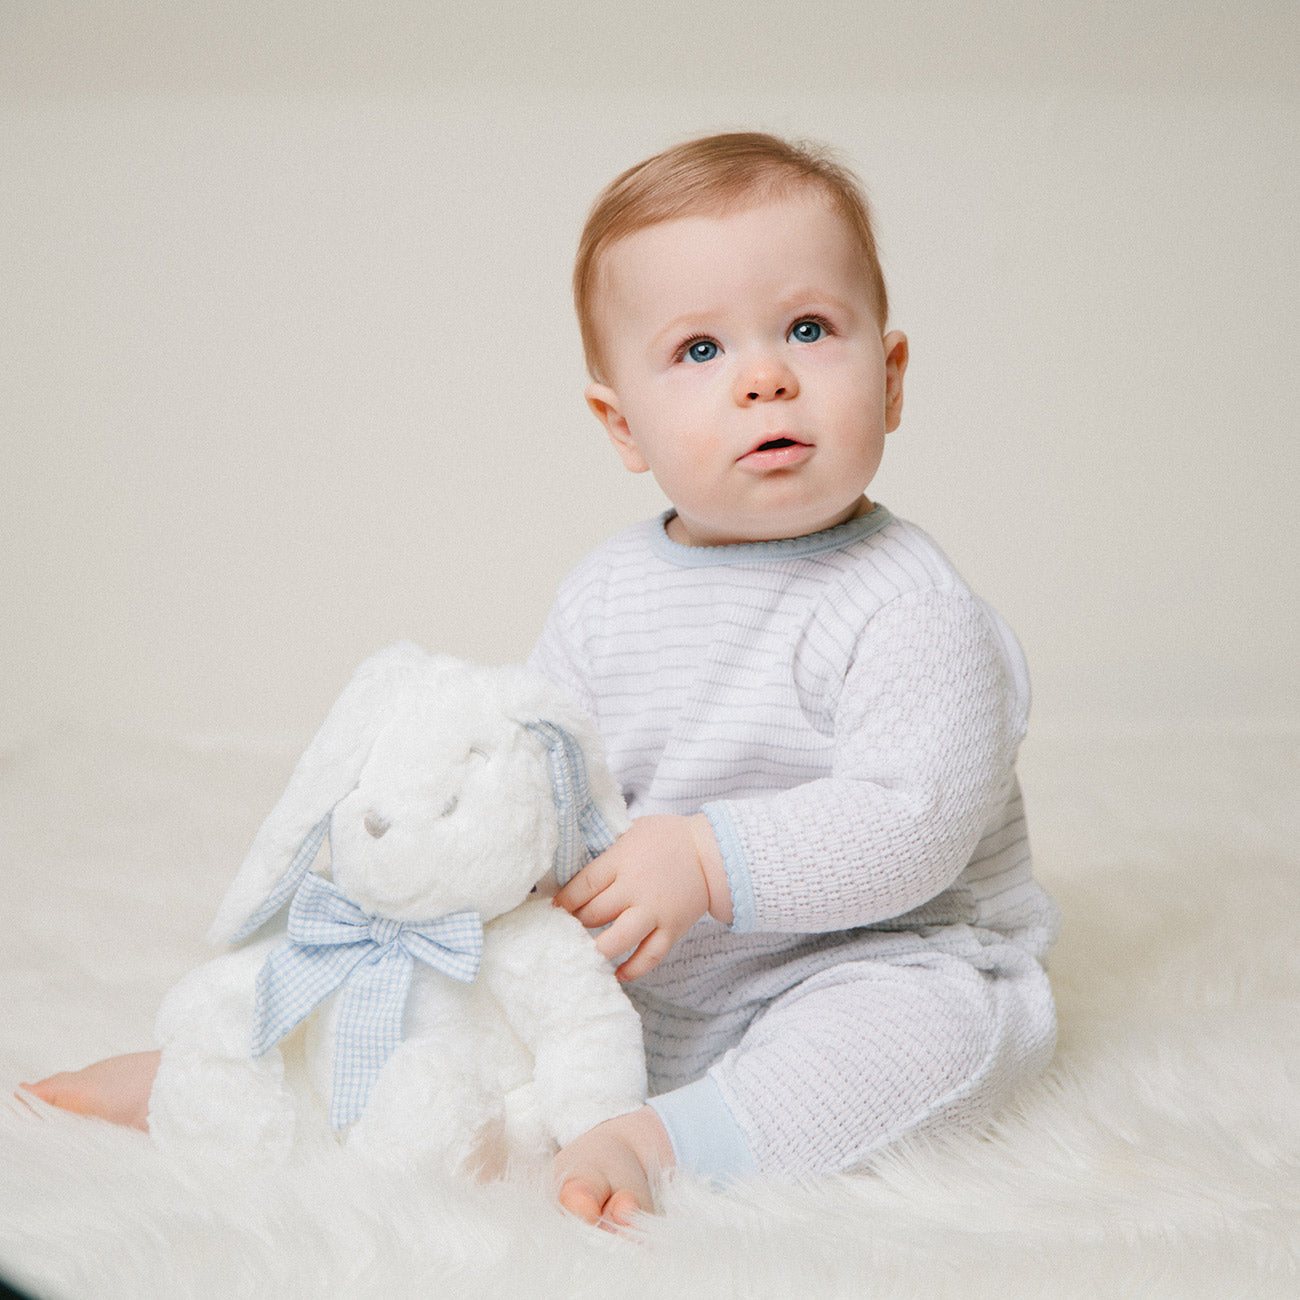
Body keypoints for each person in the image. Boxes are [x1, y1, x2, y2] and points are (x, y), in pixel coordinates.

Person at [25, 132, 1059, 1233]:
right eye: (699, 350)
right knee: (459, 970)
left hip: (870, 959)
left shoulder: (909, 607)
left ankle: (667, 1141)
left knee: (928, 1032)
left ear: (890, 379)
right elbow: (544, 781)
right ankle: (239, 1069)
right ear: (622, 424)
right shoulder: (607, 593)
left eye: (809, 328)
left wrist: (708, 860)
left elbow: (915, 824)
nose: (766, 375)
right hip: (649, 973)